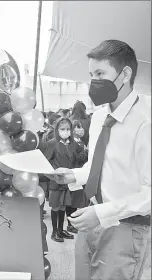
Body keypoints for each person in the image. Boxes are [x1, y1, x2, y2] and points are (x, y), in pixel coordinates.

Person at [47, 39, 150, 280]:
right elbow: (98, 164)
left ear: (125, 74)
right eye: (91, 74)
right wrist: (74, 175)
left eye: (101, 73)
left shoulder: (146, 121)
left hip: (126, 225)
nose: (93, 81)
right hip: (92, 216)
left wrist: (103, 213)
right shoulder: (100, 116)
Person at [41, 118, 87, 243]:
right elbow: (46, 162)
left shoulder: (72, 144)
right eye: (62, 129)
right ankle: (54, 232)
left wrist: (87, 151)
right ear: (57, 130)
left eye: (68, 129)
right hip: (56, 180)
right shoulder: (52, 143)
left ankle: (61, 230)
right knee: (56, 207)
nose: (65, 131)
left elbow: (79, 157)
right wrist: (56, 172)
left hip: (68, 181)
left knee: (63, 207)